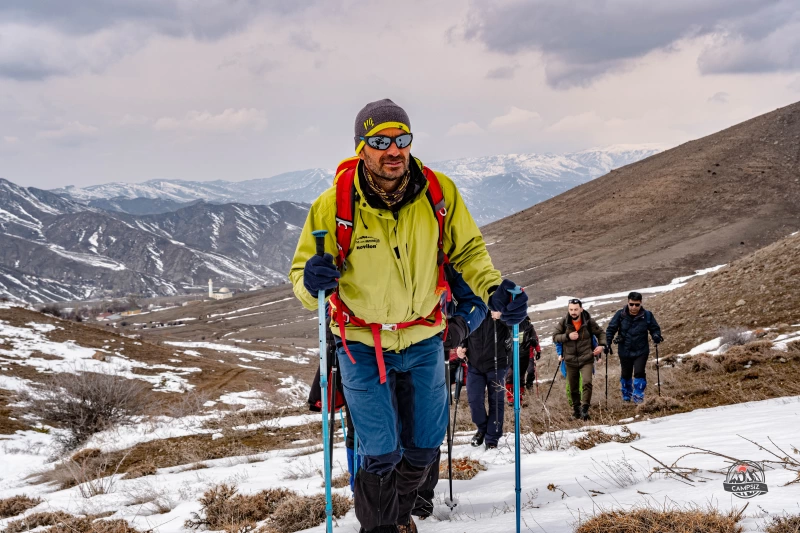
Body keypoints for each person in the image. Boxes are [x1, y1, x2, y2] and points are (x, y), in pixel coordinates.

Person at [289, 98, 527, 533]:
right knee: (380, 450)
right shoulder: (334, 205)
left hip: (423, 340)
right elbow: (303, 282)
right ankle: (380, 528)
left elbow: (469, 251)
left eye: (401, 139)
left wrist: (492, 287)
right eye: (380, 141)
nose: (393, 150)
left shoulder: (439, 192)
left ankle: (397, 517)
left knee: (424, 445)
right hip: (362, 342)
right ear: (361, 146)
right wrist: (313, 282)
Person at [460, 311, 509, 450]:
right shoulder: (472, 307)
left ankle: (492, 439)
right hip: (474, 365)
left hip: (497, 365)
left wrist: (502, 316)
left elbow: (520, 324)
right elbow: (465, 329)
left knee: (496, 401)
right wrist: (461, 346)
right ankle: (482, 428)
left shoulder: (501, 304)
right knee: (474, 401)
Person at [552, 299, 606, 421]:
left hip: (586, 358)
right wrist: (567, 336)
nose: (573, 312)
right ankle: (576, 411)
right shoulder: (564, 322)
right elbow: (555, 337)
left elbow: (601, 333)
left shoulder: (589, 322)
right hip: (570, 360)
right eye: (571, 309)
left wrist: (601, 346)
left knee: (587, 382)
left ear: (581, 309)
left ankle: (585, 409)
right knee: (573, 387)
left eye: (576, 309)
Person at [605, 291, 663, 404]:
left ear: (640, 303)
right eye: (631, 304)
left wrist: (656, 335)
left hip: (641, 350)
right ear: (628, 302)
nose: (634, 307)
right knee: (626, 374)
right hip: (624, 350)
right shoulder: (620, 314)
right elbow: (611, 329)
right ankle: (626, 395)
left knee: (639, 372)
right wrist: (607, 343)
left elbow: (655, 328)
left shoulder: (647, 315)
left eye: (637, 304)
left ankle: (638, 397)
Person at [504, 315, 541, 405]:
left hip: (525, 354)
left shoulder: (529, 326)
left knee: (520, 377)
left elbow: (535, 338)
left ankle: (519, 398)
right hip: (510, 354)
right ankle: (510, 398)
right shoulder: (507, 324)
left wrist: (537, 349)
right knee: (510, 376)